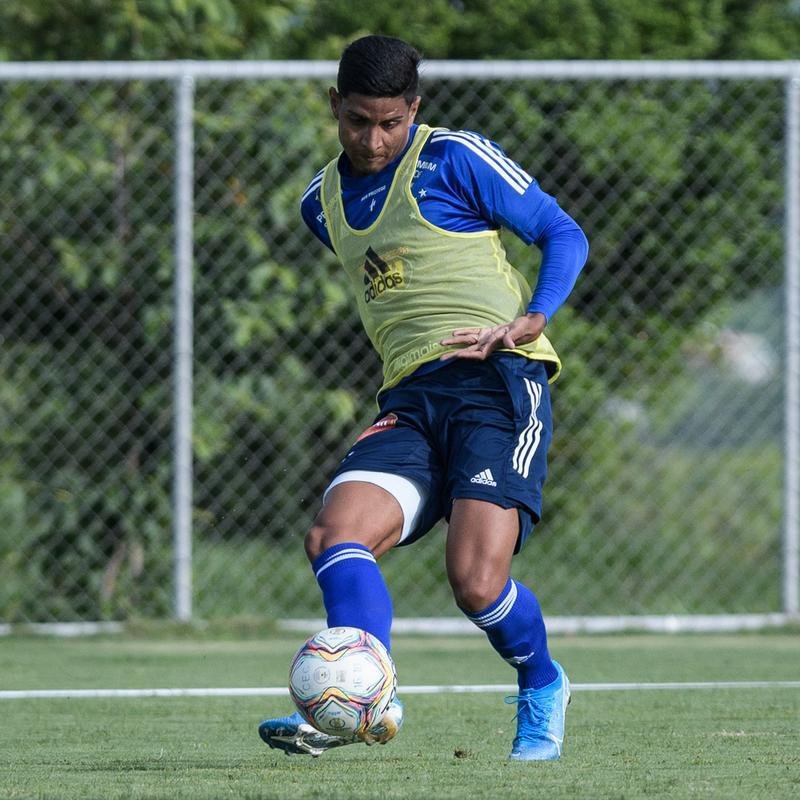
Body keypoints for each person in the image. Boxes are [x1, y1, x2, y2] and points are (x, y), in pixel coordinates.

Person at [258, 33, 588, 761]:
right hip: (411, 397)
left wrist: (532, 317)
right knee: (333, 535)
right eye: (356, 122)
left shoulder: (456, 158)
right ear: (334, 107)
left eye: (390, 122)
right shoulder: (322, 204)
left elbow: (562, 232)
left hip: (498, 385)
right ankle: (364, 698)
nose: (373, 140)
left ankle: (542, 682)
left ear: (415, 109)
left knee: (474, 582)